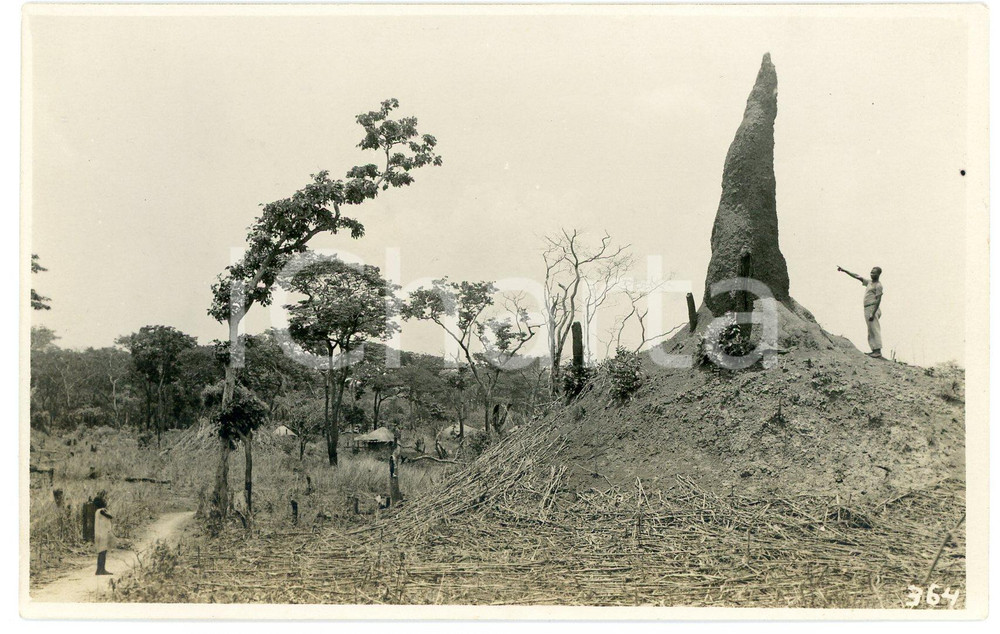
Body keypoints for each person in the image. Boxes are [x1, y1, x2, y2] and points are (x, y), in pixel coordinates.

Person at [837, 265, 884, 358]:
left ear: (878, 274)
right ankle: (874, 350)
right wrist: (844, 270)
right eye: (871, 272)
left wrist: (873, 313)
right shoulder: (869, 282)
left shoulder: (878, 285)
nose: (872, 274)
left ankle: (878, 351)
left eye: (874, 272)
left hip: (872, 308)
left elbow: (878, 300)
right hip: (867, 308)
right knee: (870, 330)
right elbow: (857, 276)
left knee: (875, 329)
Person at [93, 495, 114, 575]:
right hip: (102, 534)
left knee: (101, 552)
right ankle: (101, 570)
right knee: (102, 552)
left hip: (100, 534)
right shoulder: (101, 511)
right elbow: (110, 516)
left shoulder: (98, 511)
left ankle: (100, 569)